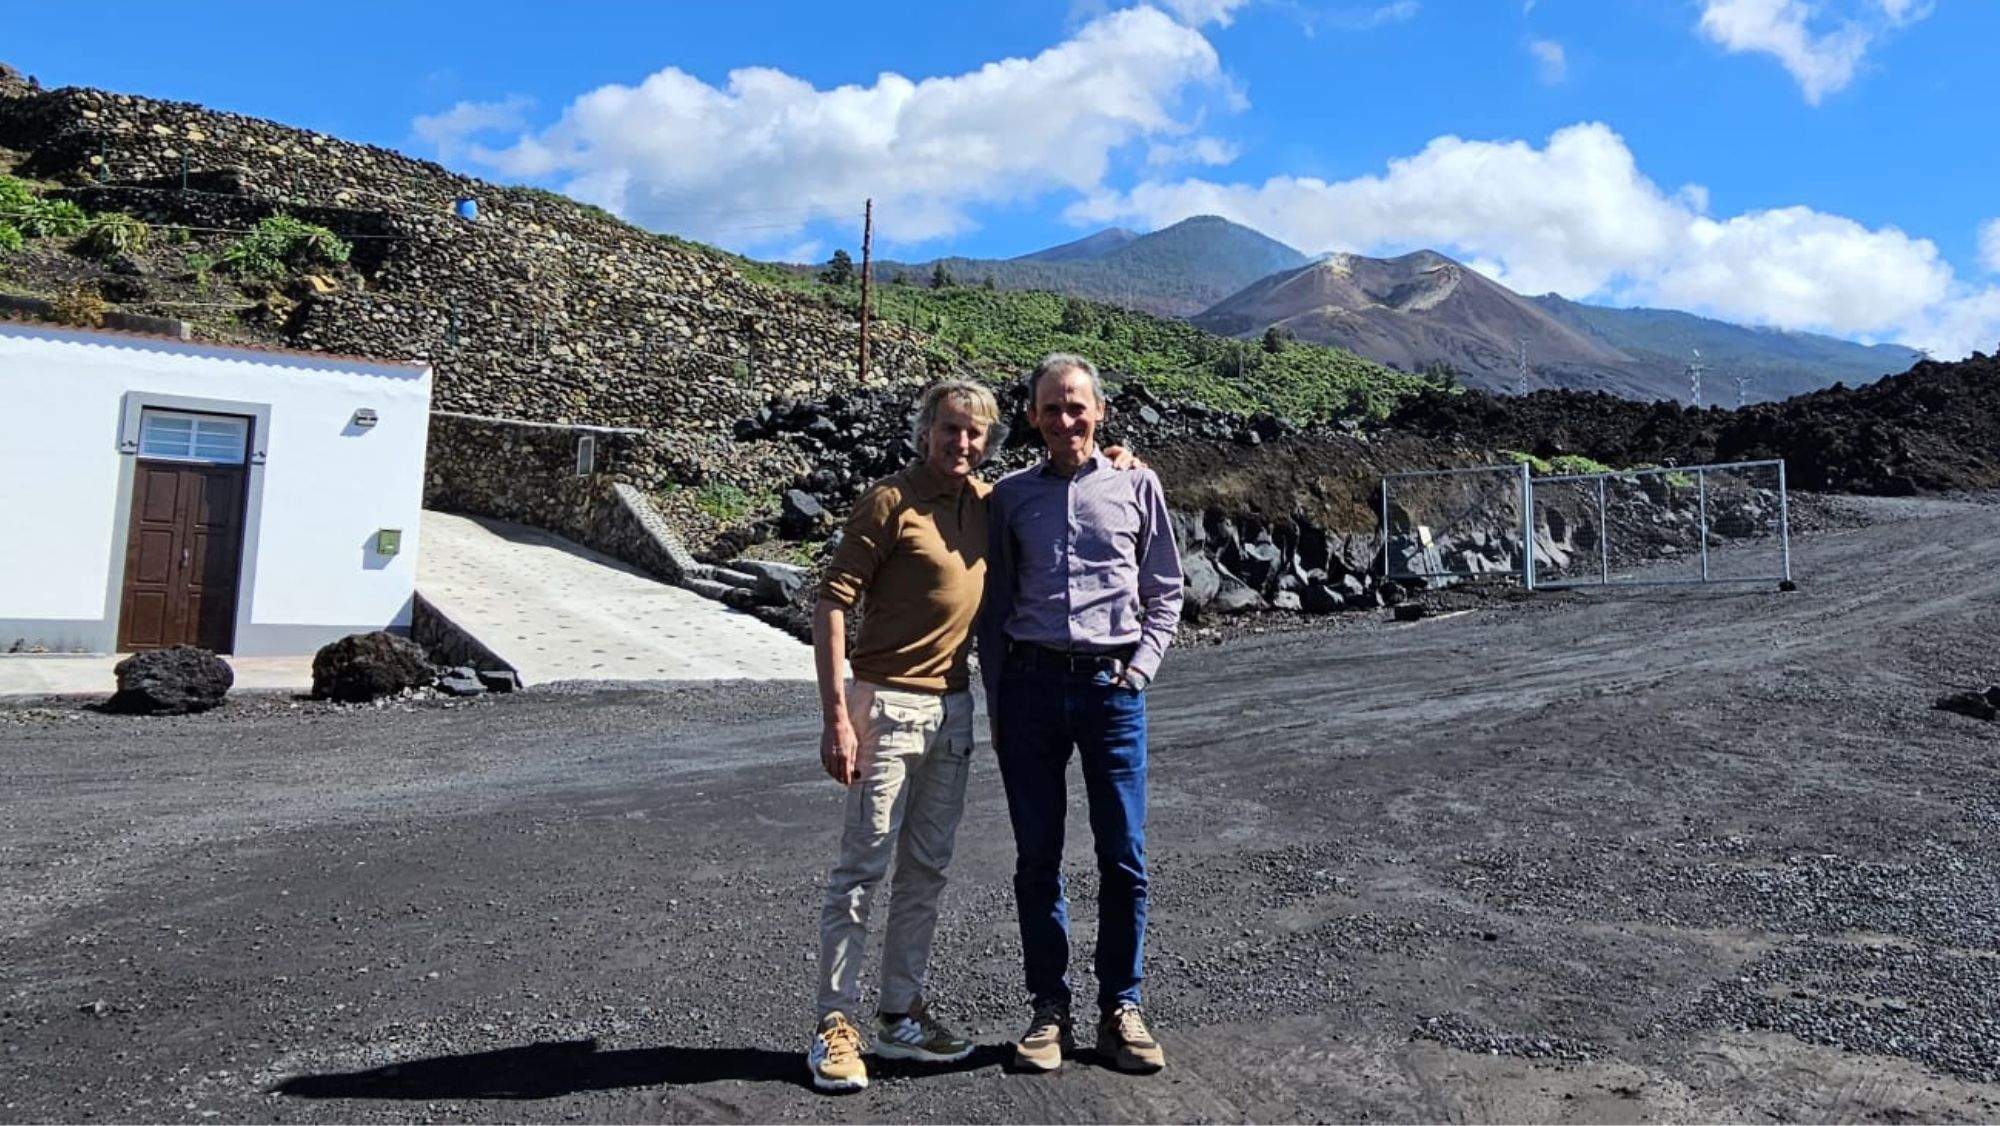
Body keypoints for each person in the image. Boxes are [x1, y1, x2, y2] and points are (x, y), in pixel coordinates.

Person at [805, 378, 1142, 1093]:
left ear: (991, 440)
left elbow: (1074, 482)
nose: (962, 443)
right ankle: (835, 1023)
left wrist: (1123, 460)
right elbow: (832, 600)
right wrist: (836, 714)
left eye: (975, 433)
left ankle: (900, 1015)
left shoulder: (989, 502)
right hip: (886, 704)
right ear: (926, 430)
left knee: (925, 871)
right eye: (950, 429)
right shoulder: (889, 502)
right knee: (862, 871)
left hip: (953, 707)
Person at [979, 352, 1184, 1075]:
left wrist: (1140, 670)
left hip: (1111, 691)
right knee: (1037, 859)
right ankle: (1048, 1010)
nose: (1065, 420)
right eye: (1050, 408)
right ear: (1030, 417)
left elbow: (1166, 587)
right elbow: (994, 604)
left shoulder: (1137, 482)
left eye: (1077, 407)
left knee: (1122, 856)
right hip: (1030, 689)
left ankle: (1120, 1007)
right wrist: (997, 701)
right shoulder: (1008, 497)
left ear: (1100, 412)